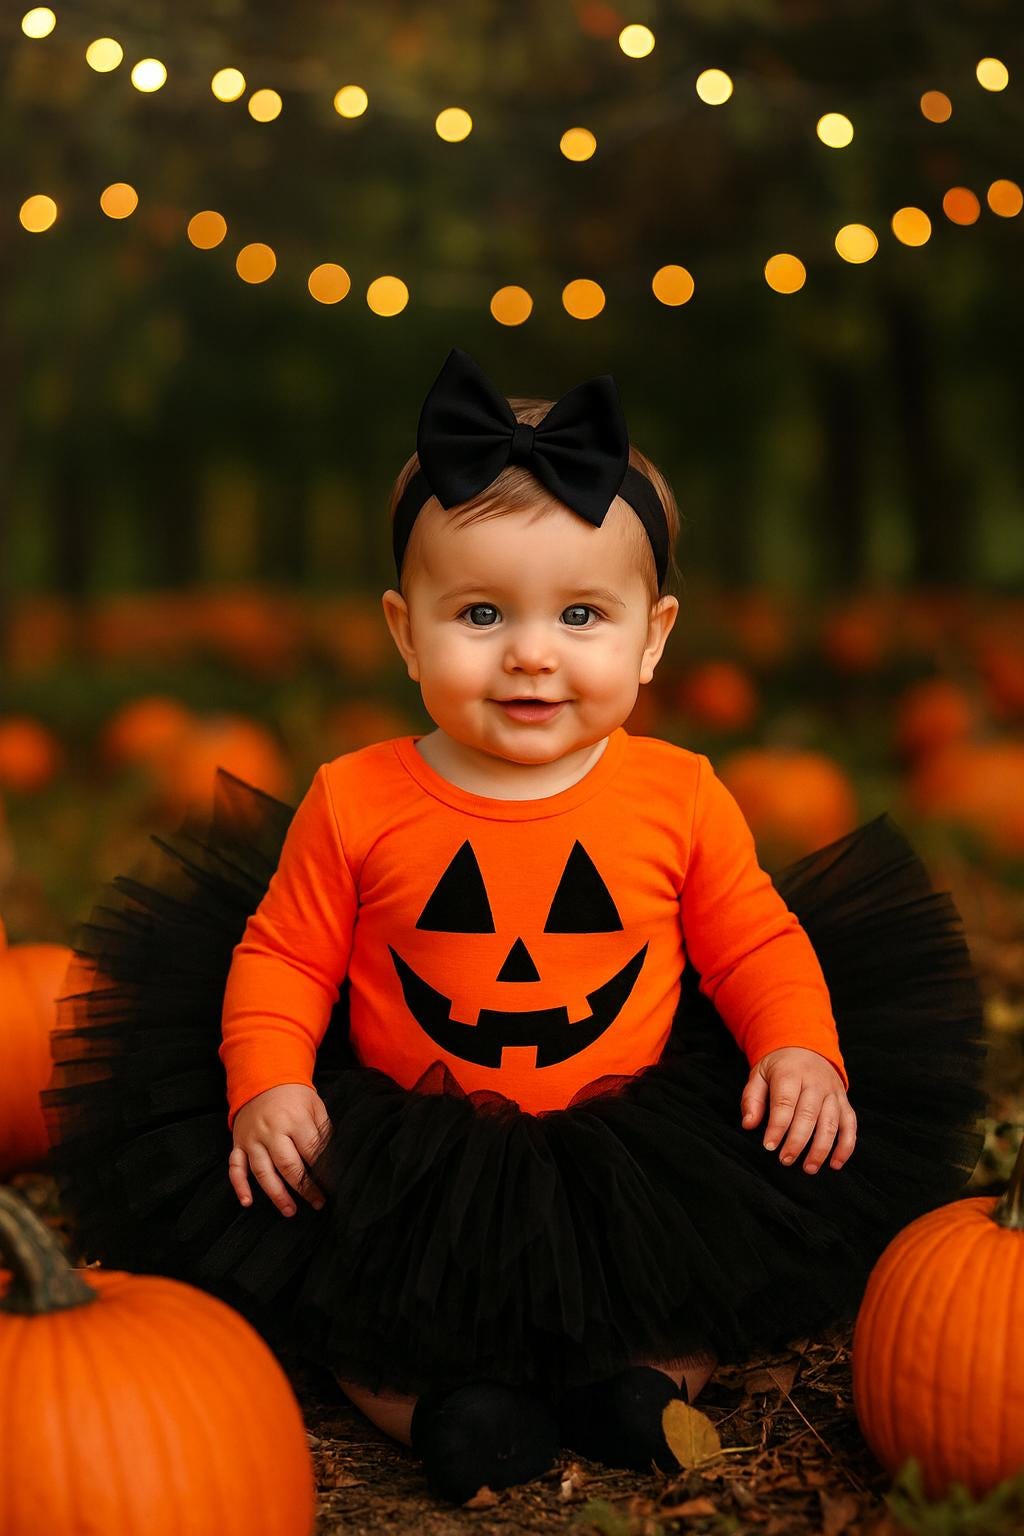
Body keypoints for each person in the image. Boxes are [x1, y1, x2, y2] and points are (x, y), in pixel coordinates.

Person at [43, 348, 987, 1507]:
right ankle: (434, 1409)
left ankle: (647, 1384)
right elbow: (284, 955)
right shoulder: (355, 799)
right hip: (413, 1150)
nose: (531, 652)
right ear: (405, 632)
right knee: (369, 1302)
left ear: (652, 637)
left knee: (679, 1281)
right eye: (481, 613)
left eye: (580, 614)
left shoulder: (679, 795)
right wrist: (268, 1080)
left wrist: (797, 1047)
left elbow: (754, 942)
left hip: (630, 1141)